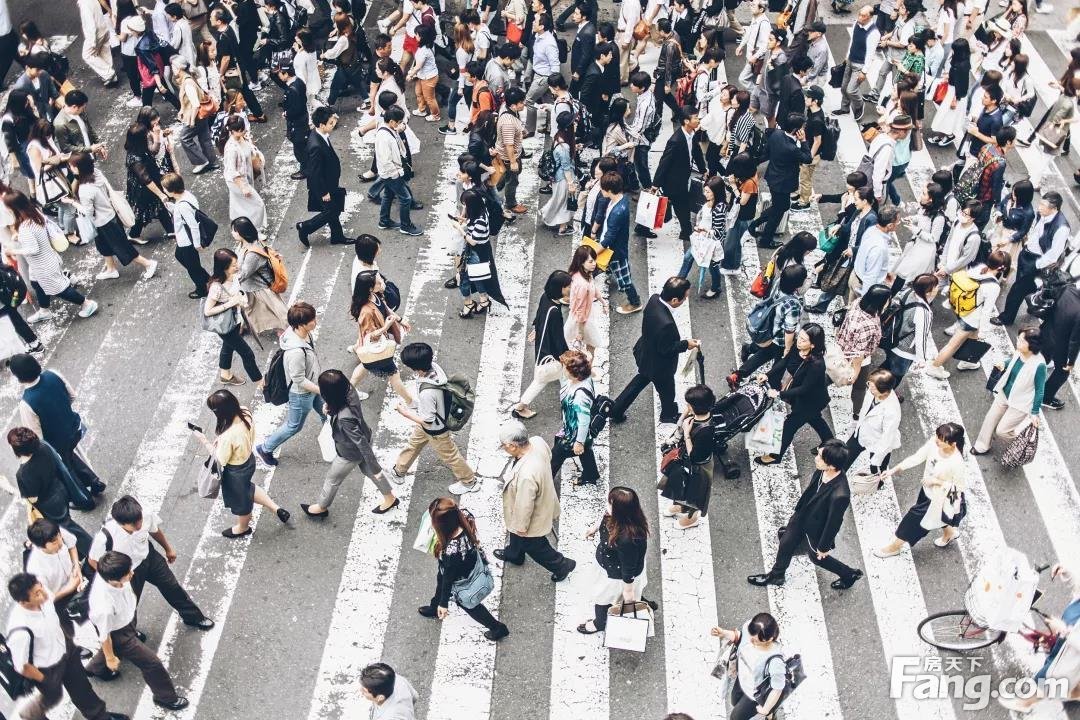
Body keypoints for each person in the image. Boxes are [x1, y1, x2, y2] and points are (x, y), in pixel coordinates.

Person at [5, 573, 128, 720]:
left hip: (67, 652)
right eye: (37, 594)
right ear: (23, 602)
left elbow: (53, 608)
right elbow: (22, 666)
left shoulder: (44, 596)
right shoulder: (19, 630)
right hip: (47, 669)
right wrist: (44, 679)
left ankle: (100, 717)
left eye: (41, 587)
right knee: (51, 697)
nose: (44, 594)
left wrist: (72, 585)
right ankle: (30, 715)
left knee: (82, 689)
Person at [87, 495, 214, 631]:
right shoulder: (105, 537)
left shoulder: (145, 514)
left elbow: (154, 531)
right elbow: (93, 560)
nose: (139, 525)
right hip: (126, 572)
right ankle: (131, 635)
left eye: (139, 521)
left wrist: (168, 549)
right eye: (134, 525)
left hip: (149, 558)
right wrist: (114, 580)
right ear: (120, 523)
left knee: (172, 587)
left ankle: (193, 617)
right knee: (129, 605)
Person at [749, 440, 863, 589]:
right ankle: (777, 575)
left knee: (818, 558)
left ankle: (849, 574)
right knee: (785, 543)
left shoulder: (841, 494)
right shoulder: (822, 470)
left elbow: (833, 523)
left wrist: (823, 547)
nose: (816, 458)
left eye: (821, 457)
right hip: (802, 515)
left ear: (832, 465)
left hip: (816, 528)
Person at [84, 552, 190, 710]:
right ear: (113, 579)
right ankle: (165, 697)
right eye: (127, 573)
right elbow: (105, 635)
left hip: (125, 618)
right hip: (120, 632)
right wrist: (110, 658)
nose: (132, 573)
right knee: (152, 663)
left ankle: (95, 669)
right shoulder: (103, 606)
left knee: (118, 648)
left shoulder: (110, 574)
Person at [301, 370, 398, 517]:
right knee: (370, 472)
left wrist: (375, 466)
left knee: (333, 479)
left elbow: (360, 442)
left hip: (350, 453)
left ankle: (321, 507)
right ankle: (390, 498)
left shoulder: (344, 417)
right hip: (365, 436)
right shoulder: (349, 390)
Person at [10, 353, 105, 498]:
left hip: (59, 444)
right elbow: (72, 396)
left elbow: (37, 439)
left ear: (18, 377)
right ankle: (93, 480)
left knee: (65, 468)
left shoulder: (26, 404)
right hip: (75, 426)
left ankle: (84, 496)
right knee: (71, 456)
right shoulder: (53, 374)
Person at [493, 420, 576, 580]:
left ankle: (561, 565)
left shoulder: (527, 476)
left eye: (503, 445)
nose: (503, 448)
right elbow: (550, 456)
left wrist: (521, 526)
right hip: (544, 497)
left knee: (534, 545)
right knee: (516, 534)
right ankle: (515, 553)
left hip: (533, 515)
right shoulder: (537, 441)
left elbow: (524, 506)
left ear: (512, 446)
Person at [611, 277, 700, 424]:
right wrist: (686, 344)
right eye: (684, 298)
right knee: (667, 392)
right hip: (660, 366)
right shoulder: (666, 324)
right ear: (674, 300)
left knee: (640, 380)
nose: (685, 300)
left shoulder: (654, 300)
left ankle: (616, 409)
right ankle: (668, 415)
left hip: (645, 353)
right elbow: (666, 349)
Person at [419, 497, 509, 641]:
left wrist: (444, 604)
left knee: (468, 604)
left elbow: (449, 578)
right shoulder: (465, 517)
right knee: (441, 581)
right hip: (469, 563)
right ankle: (434, 606)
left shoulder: (451, 552)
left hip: (460, 577)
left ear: (443, 525)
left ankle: (497, 627)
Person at [392, 342, 478, 494]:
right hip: (433, 422)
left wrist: (404, 412)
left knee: (450, 455)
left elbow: (427, 420)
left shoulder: (427, 393)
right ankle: (399, 471)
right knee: (413, 444)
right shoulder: (435, 368)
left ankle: (469, 481)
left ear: (416, 368)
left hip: (435, 430)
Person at [2, 191, 98, 321]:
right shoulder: (35, 213)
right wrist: (20, 237)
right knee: (36, 284)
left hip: (43, 265)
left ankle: (87, 304)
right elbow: (37, 236)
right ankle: (44, 310)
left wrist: (13, 251)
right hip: (47, 259)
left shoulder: (25, 227)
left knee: (59, 289)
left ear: (14, 208)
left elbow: (33, 249)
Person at [876, 423, 968, 555]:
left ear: (953, 444)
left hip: (937, 499)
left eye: (941, 440)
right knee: (938, 518)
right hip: (926, 492)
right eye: (937, 436)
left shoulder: (957, 463)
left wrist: (936, 481)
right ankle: (949, 533)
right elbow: (918, 457)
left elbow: (958, 489)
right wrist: (894, 470)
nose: (936, 440)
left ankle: (894, 547)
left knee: (912, 522)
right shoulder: (935, 442)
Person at [998, 563, 1080, 712]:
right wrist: (1068, 573)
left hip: (1072, 652)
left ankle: (1024, 704)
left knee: (1048, 677)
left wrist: (1065, 631)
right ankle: (1076, 693)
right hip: (1067, 643)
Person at [256, 302, 326, 465]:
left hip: (313, 385)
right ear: (301, 325)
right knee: (294, 426)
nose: (315, 322)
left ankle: (334, 438)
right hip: (302, 394)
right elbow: (299, 380)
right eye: (312, 320)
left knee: (327, 413)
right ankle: (265, 448)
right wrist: (322, 390)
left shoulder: (299, 332)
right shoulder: (295, 352)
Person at [70, 152, 158, 282]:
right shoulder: (96, 173)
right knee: (103, 246)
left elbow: (88, 212)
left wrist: (73, 203)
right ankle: (111, 269)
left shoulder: (84, 190)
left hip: (104, 223)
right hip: (110, 216)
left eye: (72, 166)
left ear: (78, 168)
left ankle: (148, 264)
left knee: (123, 247)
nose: (70, 168)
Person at [753, 324, 834, 465]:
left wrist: (778, 394)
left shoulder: (817, 364)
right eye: (799, 337)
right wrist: (767, 374)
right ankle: (830, 444)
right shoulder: (798, 348)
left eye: (803, 340)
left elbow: (805, 389)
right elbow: (785, 362)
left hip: (810, 401)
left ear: (813, 345)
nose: (798, 341)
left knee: (789, 425)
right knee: (815, 419)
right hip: (803, 398)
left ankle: (775, 456)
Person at [925, 250, 1011, 379]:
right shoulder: (993, 286)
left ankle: (968, 362)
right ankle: (934, 367)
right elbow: (987, 311)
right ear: (1002, 268)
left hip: (963, 308)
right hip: (971, 319)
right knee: (953, 345)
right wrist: (984, 331)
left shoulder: (981, 268)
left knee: (973, 337)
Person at [576, 486, 650, 635]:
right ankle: (640, 600)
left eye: (610, 504)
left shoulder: (628, 539)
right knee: (624, 597)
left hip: (616, 575)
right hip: (611, 565)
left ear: (621, 511)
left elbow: (628, 568)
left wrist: (628, 591)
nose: (606, 506)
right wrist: (595, 528)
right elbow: (605, 518)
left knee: (603, 599)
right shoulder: (625, 518)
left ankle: (600, 623)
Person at [9, 427, 93, 553]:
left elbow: (33, 499)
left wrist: (10, 488)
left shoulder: (23, 474)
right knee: (68, 524)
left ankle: (93, 551)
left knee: (70, 528)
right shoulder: (43, 446)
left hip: (51, 506)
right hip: (60, 489)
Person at [995, 192, 1072, 326]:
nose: (1039, 207)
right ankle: (1034, 303)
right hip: (1026, 254)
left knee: (1016, 290)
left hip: (1036, 261)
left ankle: (1006, 318)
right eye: (1040, 203)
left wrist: (1035, 265)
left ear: (1054, 208)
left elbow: (1053, 254)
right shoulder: (1043, 215)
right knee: (1026, 286)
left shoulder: (1061, 228)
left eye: (1043, 205)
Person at [972, 327, 1046, 457]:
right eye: (1019, 339)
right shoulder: (1019, 351)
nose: (1018, 342)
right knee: (990, 419)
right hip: (1004, 393)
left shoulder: (1039, 365)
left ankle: (1021, 442)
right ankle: (982, 445)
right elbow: (1012, 361)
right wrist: (1004, 363)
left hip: (1020, 403)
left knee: (1002, 431)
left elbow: (1040, 390)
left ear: (1032, 345)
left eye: (1022, 341)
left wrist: (1034, 413)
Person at [729, 265, 807, 385]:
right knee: (780, 362)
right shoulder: (792, 304)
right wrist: (787, 348)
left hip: (769, 330)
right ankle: (773, 385)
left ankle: (738, 375)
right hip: (780, 338)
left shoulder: (779, 282)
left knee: (762, 355)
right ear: (797, 284)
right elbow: (789, 330)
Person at [513, 271, 572, 420]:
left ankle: (521, 407)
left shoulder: (546, 297)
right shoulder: (554, 312)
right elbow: (558, 339)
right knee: (556, 378)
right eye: (567, 286)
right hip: (551, 354)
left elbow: (539, 315)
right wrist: (566, 355)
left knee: (556, 379)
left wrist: (536, 328)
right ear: (560, 288)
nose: (570, 288)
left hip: (544, 350)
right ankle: (520, 407)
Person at [203, 248, 264, 387]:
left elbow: (237, 291)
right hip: (225, 324)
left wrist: (240, 299)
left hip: (235, 320)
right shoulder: (216, 287)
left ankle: (225, 375)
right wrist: (231, 303)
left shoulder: (234, 276)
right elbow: (207, 311)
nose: (237, 267)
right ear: (224, 268)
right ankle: (260, 383)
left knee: (228, 346)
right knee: (247, 354)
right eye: (233, 265)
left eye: (237, 263)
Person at [749, 113, 810, 249]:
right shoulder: (792, 148)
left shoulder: (776, 134)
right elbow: (807, 158)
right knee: (779, 210)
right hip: (783, 183)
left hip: (773, 176)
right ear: (796, 130)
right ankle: (765, 239)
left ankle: (756, 224)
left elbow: (767, 152)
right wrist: (804, 141)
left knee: (780, 207)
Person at [349, 270, 413, 402]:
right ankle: (411, 402)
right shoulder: (366, 311)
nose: (382, 283)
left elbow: (386, 308)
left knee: (365, 364)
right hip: (377, 345)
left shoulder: (375, 295)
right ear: (370, 288)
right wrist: (386, 327)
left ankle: (347, 392)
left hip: (379, 342)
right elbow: (371, 335)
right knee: (394, 375)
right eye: (379, 282)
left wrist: (400, 320)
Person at [709, 613, 786, 720]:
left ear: (769, 639)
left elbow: (777, 689)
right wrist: (724, 633)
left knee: (735, 717)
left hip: (757, 693)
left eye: (756, 641)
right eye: (751, 638)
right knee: (734, 700)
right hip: (744, 680)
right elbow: (740, 637)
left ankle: (771, 715)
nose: (751, 642)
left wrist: (766, 709)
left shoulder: (775, 661)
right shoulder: (750, 629)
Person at [661, 384, 716, 529]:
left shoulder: (705, 431)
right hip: (686, 461)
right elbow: (681, 425)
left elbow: (695, 457)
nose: (687, 407)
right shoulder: (699, 415)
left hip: (699, 467)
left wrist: (686, 434)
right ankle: (680, 506)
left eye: (689, 405)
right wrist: (686, 414)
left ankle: (692, 518)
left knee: (695, 495)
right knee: (682, 486)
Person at [23, 519, 86, 637]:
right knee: (76, 632)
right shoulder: (35, 569)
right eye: (54, 543)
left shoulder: (56, 534)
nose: (60, 543)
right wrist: (70, 587)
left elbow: (71, 545)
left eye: (59, 537)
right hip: (59, 601)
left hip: (75, 581)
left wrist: (76, 566)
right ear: (41, 546)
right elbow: (43, 601)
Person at [653, 106, 707, 242]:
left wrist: (703, 169)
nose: (698, 119)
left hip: (681, 178)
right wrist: (656, 184)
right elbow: (664, 163)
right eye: (695, 117)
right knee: (679, 204)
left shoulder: (692, 134)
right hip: (672, 181)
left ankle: (685, 231)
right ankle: (686, 232)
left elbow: (696, 152)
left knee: (671, 204)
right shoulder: (675, 141)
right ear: (686, 121)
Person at [548, 349, 600, 486]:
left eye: (565, 368)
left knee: (556, 456)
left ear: (575, 374)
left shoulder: (579, 397)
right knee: (585, 451)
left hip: (573, 433)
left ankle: (544, 483)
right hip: (572, 427)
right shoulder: (584, 377)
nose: (563, 369)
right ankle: (591, 474)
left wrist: (579, 442)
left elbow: (583, 421)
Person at [837, 285, 892, 413]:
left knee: (833, 372)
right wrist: (856, 373)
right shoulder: (868, 325)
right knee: (860, 387)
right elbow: (859, 354)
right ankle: (857, 412)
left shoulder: (858, 302)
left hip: (843, 345)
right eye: (887, 300)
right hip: (856, 357)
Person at [297, 107, 348, 247]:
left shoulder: (320, 135)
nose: (333, 125)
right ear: (321, 125)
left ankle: (337, 236)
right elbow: (314, 173)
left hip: (328, 181)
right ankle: (305, 227)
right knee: (332, 210)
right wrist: (324, 192)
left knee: (332, 209)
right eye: (331, 123)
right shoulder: (316, 146)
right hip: (322, 185)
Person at [209, 6, 266, 122]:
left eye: (211, 17)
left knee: (234, 93)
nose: (210, 19)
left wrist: (221, 73)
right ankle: (258, 114)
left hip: (233, 71)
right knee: (245, 90)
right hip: (239, 66)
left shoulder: (222, 38)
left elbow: (226, 58)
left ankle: (243, 118)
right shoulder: (228, 29)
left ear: (219, 21)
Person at [597, 172, 642, 315]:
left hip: (615, 250)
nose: (601, 190)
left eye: (602, 188)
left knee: (625, 279)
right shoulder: (621, 200)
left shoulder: (617, 212)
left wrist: (594, 251)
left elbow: (610, 237)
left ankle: (635, 302)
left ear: (609, 190)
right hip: (615, 248)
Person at [880, 273, 938, 386]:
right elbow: (921, 337)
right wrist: (921, 360)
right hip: (904, 352)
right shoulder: (924, 312)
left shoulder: (908, 292)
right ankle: (883, 395)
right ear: (928, 292)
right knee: (895, 376)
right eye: (935, 286)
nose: (937, 288)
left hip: (891, 339)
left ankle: (875, 383)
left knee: (888, 364)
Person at [233, 217, 288, 335]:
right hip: (251, 287)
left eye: (234, 230)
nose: (232, 233)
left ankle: (290, 330)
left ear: (241, 233)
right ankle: (245, 326)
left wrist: (227, 281)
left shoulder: (252, 254)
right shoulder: (248, 243)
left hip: (260, 288)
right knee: (253, 309)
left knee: (277, 310)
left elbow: (243, 274)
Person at [376, 105, 424, 237]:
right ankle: (405, 225)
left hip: (390, 172)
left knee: (388, 195)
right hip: (392, 173)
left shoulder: (387, 129)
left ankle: (384, 220)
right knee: (406, 198)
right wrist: (396, 174)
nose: (401, 125)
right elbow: (386, 160)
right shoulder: (385, 138)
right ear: (391, 122)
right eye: (399, 122)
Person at [843, 368, 902, 473]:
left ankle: (877, 482)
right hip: (861, 433)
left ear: (884, 391)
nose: (869, 386)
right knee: (843, 460)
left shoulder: (892, 411)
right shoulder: (872, 391)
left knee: (876, 470)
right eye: (869, 383)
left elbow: (887, 439)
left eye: (872, 386)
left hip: (877, 442)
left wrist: (876, 460)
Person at [124, 122, 174, 243]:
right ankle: (134, 234)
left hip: (146, 187)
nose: (148, 135)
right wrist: (161, 194)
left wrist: (158, 135)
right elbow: (146, 179)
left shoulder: (137, 148)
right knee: (144, 211)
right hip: (143, 190)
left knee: (157, 206)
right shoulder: (135, 159)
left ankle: (171, 230)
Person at [677, 175, 725, 298]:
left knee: (712, 266)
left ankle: (716, 288)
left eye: (708, 191)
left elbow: (719, 232)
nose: (705, 194)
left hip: (711, 243)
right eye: (705, 190)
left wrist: (705, 230)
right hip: (700, 238)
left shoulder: (719, 208)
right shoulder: (710, 202)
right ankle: (678, 282)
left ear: (716, 192)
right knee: (688, 258)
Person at [836, 6, 882, 121]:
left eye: (863, 16)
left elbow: (870, 54)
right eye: (859, 14)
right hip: (851, 60)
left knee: (851, 90)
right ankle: (844, 108)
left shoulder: (874, 33)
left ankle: (860, 104)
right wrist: (847, 56)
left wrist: (864, 71)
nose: (860, 17)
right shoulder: (856, 23)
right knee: (843, 87)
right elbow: (852, 41)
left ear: (870, 17)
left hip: (860, 65)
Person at [173, 56, 217, 174]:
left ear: (179, 69)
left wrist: (192, 121)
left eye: (173, 67)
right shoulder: (189, 77)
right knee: (204, 138)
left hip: (196, 115)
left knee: (184, 138)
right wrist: (182, 110)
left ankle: (201, 161)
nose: (172, 69)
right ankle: (212, 161)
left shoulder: (187, 83)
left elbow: (195, 105)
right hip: (202, 114)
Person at [222, 117, 266, 230]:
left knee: (239, 203)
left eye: (242, 129)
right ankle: (255, 229)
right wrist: (243, 188)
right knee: (258, 204)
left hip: (245, 174)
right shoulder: (232, 149)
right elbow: (232, 170)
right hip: (238, 181)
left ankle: (239, 224)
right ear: (231, 131)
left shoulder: (242, 137)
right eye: (239, 130)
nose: (242, 132)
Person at [1041, 283, 1080, 411]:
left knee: (1038, 359)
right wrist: (1071, 362)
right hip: (1060, 345)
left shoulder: (1068, 289)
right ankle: (1046, 398)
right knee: (1062, 372)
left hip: (1046, 332)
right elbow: (1075, 341)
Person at [540, 111, 579, 236]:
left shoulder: (558, 137)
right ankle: (562, 228)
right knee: (564, 203)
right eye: (574, 122)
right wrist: (571, 184)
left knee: (558, 200)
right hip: (563, 178)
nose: (576, 124)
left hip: (557, 177)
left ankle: (546, 213)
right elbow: (566, 168)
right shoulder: (564, 147)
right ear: (568, 127)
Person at [565, 245, 605, 355]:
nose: (594, 264)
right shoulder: (582, 284)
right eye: (591, 261)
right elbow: (581, 310)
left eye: (594, 260)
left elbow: (593, 286)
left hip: (584, 316)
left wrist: (602, 301)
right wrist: (580, 332)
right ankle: (587, 370)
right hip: (583, 320)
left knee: (587, 349)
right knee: (589, 349)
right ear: (581, 262)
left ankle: (585, 369)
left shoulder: (583, 273)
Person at [496, 87, 528, 215]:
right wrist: (513, 162)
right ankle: (511, 203)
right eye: (521, 102)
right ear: (513, 105)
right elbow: (509, 145)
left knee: (504, 177)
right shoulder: (508, 123)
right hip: (508, 157)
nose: (523, 104)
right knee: (512, 180)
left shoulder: (508, 109)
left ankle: (494, 187)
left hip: (507, 155)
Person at [277, 63, 310, 179]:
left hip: (297, 122)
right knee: (303, 143)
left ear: (286, 74)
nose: (279, 76)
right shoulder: (299, 82)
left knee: (299, 147)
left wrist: (286, 113)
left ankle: (305, 170)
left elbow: (296, 108)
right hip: (303, 118)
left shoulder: (291, 90)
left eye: (280, 73)